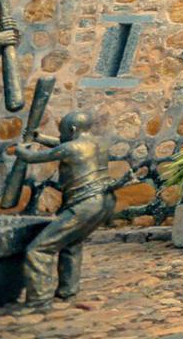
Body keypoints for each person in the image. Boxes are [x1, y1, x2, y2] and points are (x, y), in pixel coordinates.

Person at [9, 111, 116, 304]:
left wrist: (19, 150)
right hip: (105, 201)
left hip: (85, 204)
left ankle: (38, 300)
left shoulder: (72, 148)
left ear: (73, 129)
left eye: (63, 131)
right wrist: (40, 137)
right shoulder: (96, 144)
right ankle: (68, 290)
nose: (62, 135)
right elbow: (62, 145)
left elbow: (32, 157)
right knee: (71, 242)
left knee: (39, 249)